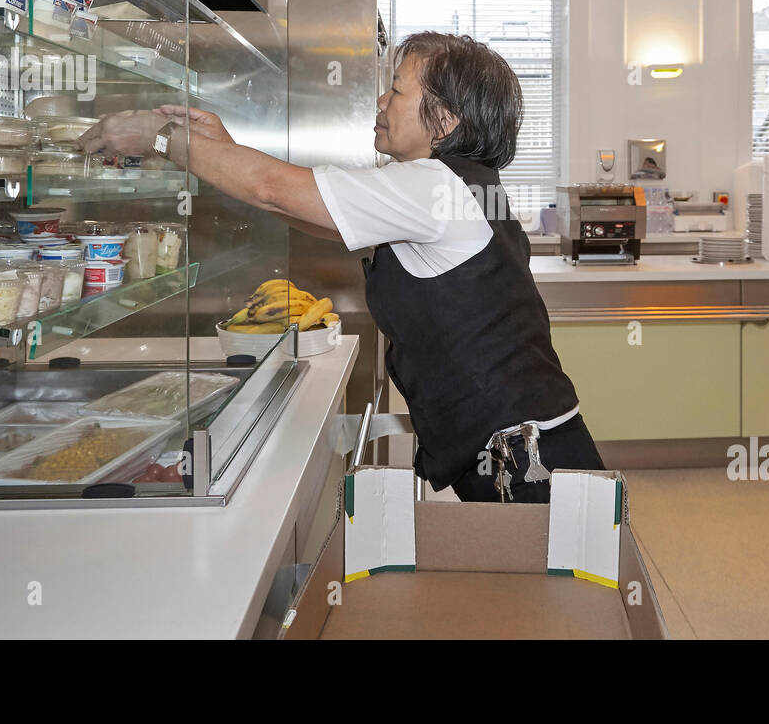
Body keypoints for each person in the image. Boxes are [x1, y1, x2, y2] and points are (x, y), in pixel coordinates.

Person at [78, 31, 605, 502]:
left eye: (397, 90)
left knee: (553, 598)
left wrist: (163, 139)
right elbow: (314, 214)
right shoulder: (456, 183)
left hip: (524, 455)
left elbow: (274, 192)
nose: (381, 100)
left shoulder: (435, 184)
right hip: (523, 440)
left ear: (444, 119)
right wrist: (224, 150)